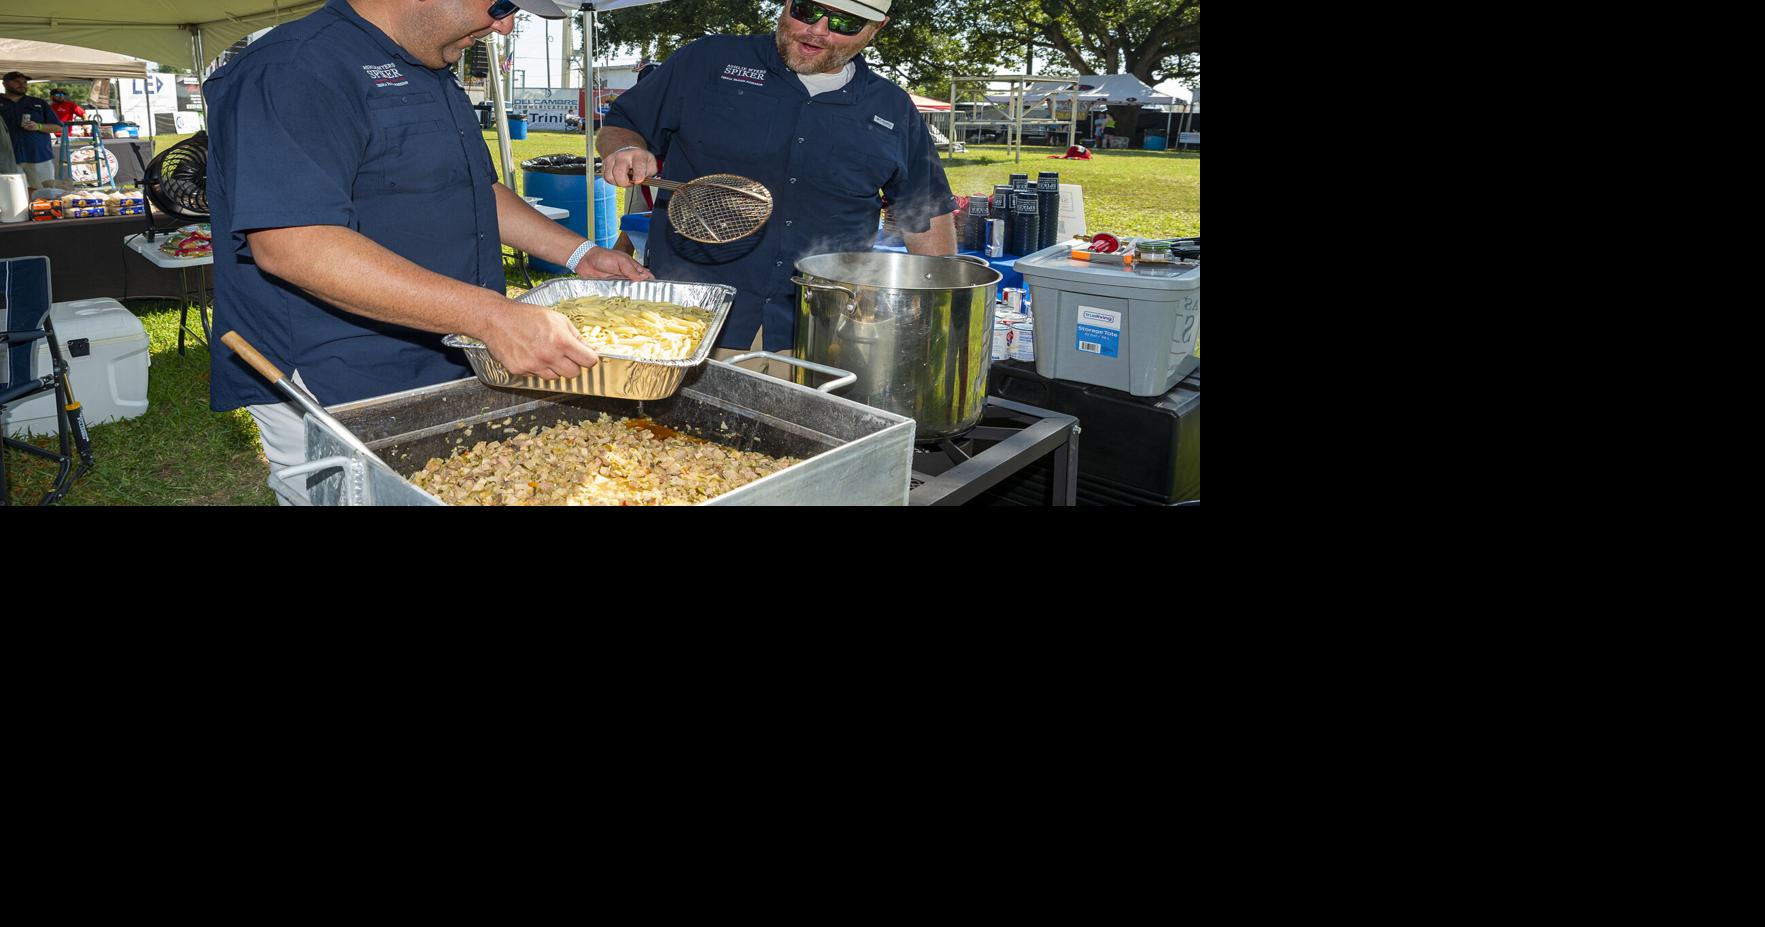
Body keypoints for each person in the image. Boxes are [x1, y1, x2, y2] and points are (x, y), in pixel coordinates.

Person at [203, 0, 651, 503]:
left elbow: (474, 190)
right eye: (501, 5)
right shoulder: (293, 67)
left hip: (444, 349)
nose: (503, 26)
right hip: (336, 369)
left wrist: (580, 255)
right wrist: (491, 317)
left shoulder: (431, 64)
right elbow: (295, 247)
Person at [597, 0, 956, 376]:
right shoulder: (708, 61)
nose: (817, 29)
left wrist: (939, 318)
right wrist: (625, 148)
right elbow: (624, 122)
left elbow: (925, 212)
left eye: (844, 22)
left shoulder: (893, 107)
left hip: (825, 335)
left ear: (875, 28)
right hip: (690, 322)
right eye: (805, 10)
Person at [1, 71, 64, 192]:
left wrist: (38, 127)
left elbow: (58, 127)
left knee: (46, 192)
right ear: (5, 84)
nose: (22, 85)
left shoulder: (39, 103)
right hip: (7, 158)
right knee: (12, 196)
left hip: (39, 156)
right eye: (16, 81)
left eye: (24, 82)